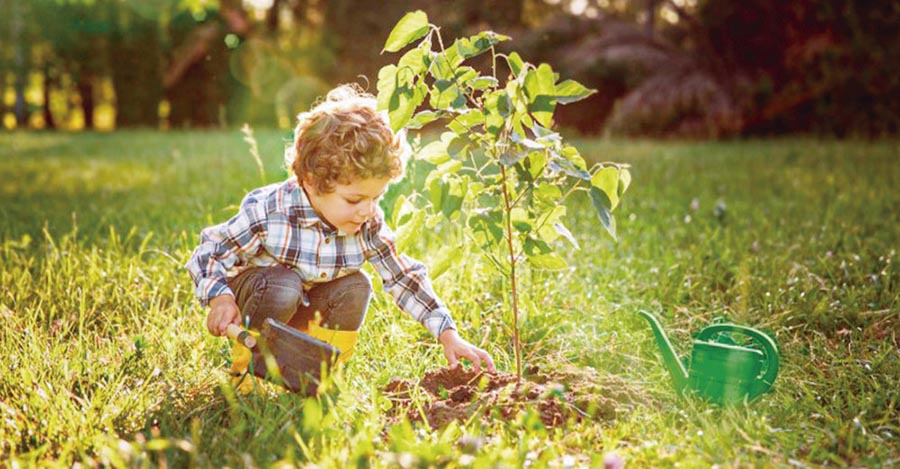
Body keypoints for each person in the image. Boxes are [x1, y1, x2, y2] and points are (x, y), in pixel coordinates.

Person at [186, 84, 494, 393]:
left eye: (377, 197)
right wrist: (220, 298)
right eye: (354, 200)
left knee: (356, 286)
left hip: (307, 309)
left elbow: (403, 277)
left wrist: (448, 334)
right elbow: (210, 251)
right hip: (264, 299)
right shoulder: (271, 212)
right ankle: (250, 376)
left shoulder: (367, 224)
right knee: (284, 285)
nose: (367, 211)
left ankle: (316, 376)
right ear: (311, 181)